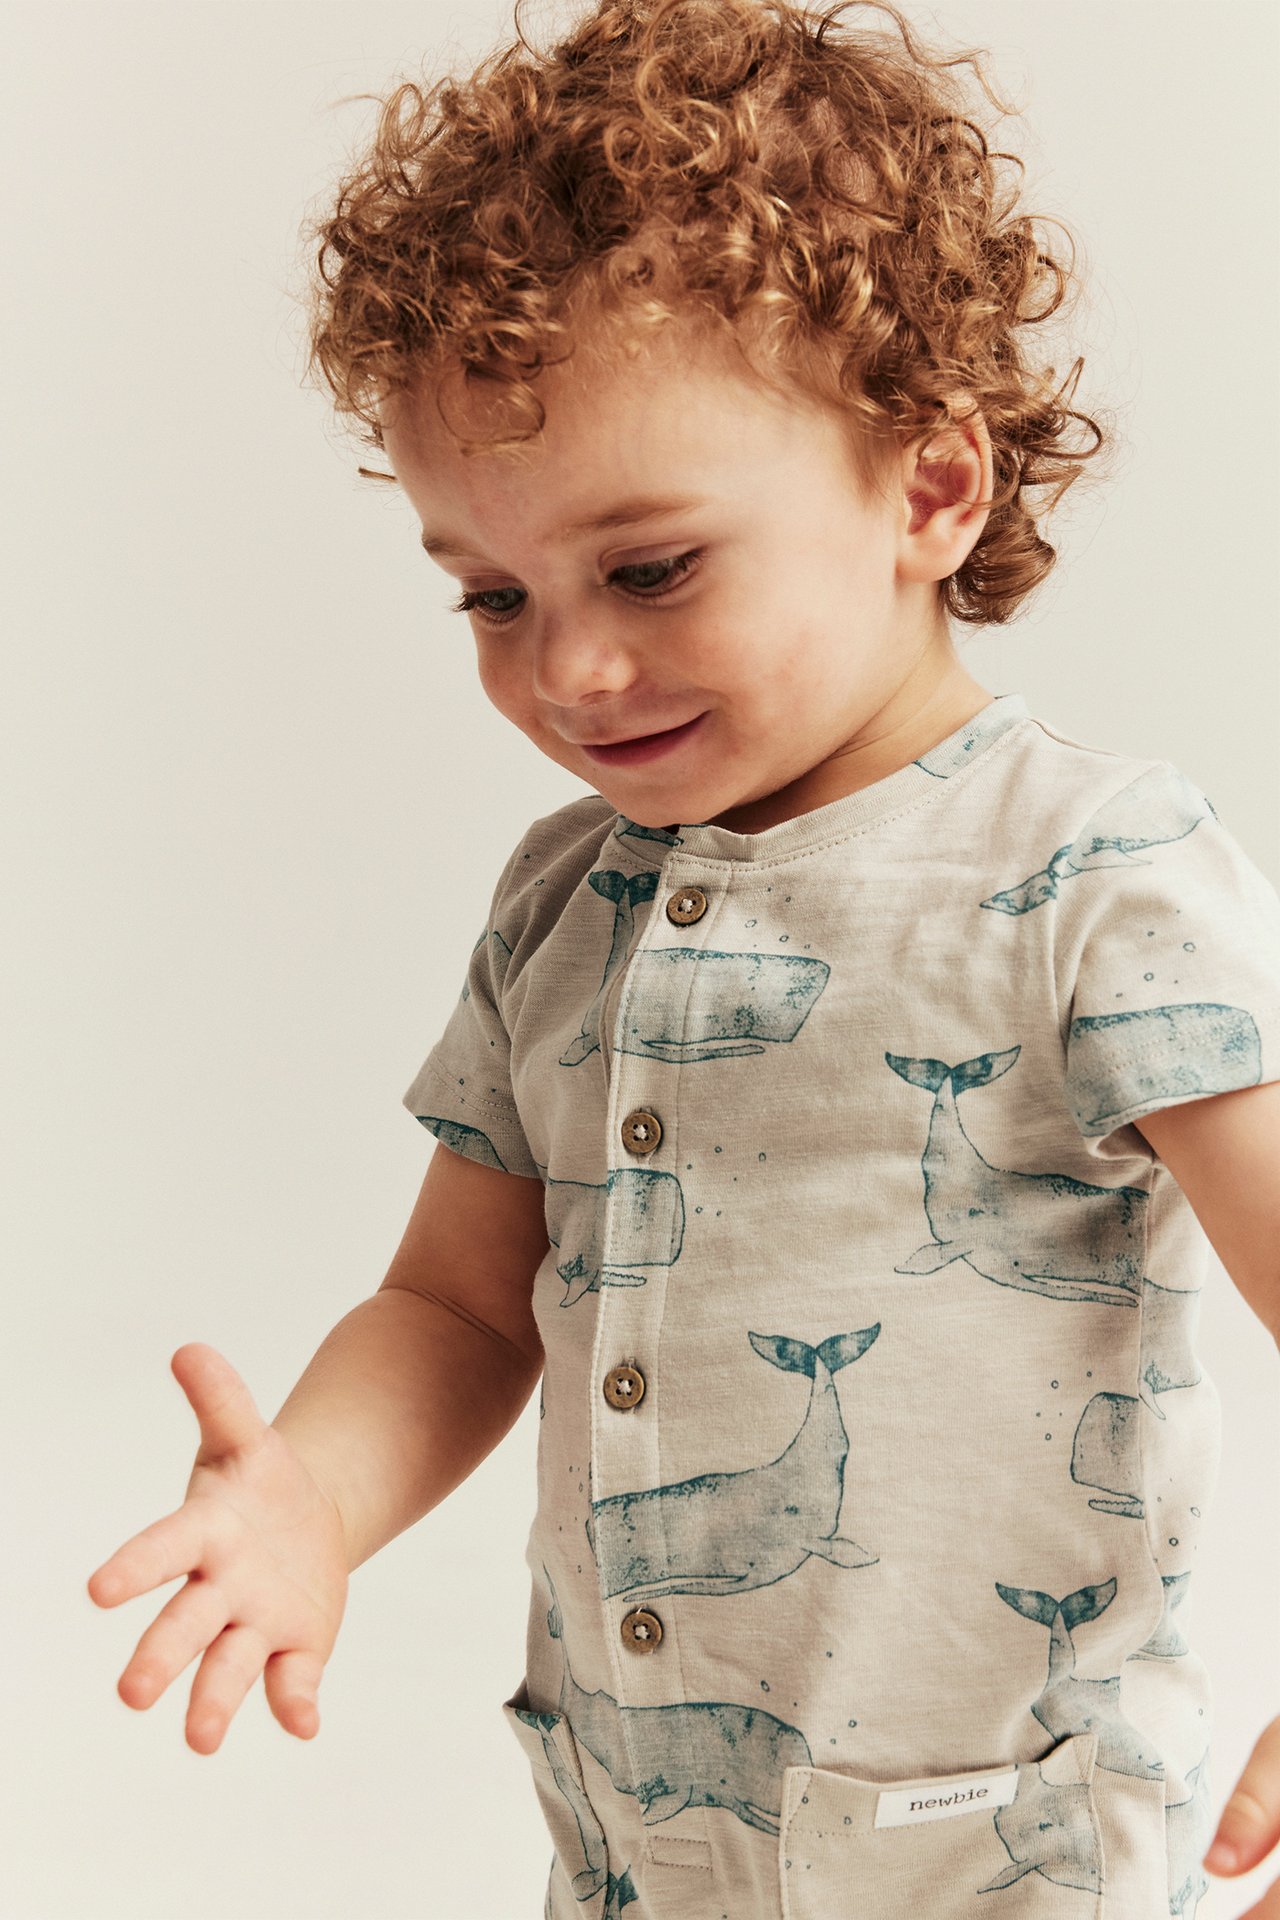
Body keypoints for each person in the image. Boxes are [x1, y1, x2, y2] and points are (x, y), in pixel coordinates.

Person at [87, 1, 1280, 1914]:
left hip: (996, 1850)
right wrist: (314, 1494)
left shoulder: (1092, 870)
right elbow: (464, 1310)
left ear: (930, 489)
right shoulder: (569, 901)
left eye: (650, 569)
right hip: (639, 1843)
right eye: (493, 593)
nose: (566, 669)